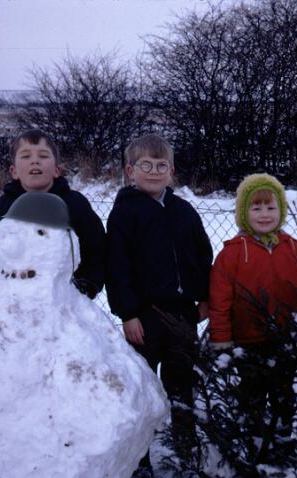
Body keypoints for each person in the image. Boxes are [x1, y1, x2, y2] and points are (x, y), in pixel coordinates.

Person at [105, 134, 213, 477]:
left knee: (182, 384)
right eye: (146, 165)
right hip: (145, 316)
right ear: (130, 171)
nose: (154, 172)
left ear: (172, 171)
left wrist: (204, 296)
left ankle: (186, 450)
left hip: (182, 313)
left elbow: (203, 255)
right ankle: (140, 459)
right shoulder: (125, 213)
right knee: (143, 388)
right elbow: (117, 267)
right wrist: (128, 313)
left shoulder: (184, 211)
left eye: (161, 166)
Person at [208, 173, 297, 459]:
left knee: (284, 394)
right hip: (248, 340)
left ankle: (281, 441)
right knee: (252, 395)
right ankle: (252, 444)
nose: (264, 214)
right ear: (244, 212)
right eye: (256, 208)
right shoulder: (231, 254)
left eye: (271, 207)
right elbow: (219, 301)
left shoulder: (294, 247)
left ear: (282, 210)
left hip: (286, 338)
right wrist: (221, 337)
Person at [0, 129, 105, 298]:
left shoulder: (75, 205)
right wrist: (4, 283)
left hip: (62, 300)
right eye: (26, 156)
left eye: (43, 156)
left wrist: (85, 286)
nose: (35, 161)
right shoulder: (0, 208)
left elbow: (96, 251)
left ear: (56, 170)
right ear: (14, 171)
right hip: (10, 302)